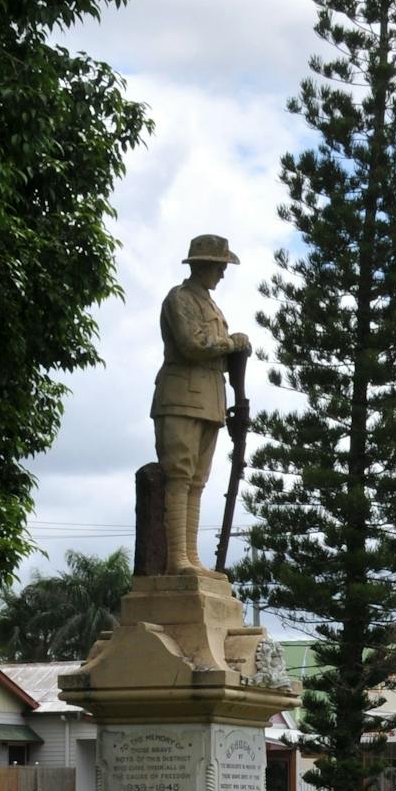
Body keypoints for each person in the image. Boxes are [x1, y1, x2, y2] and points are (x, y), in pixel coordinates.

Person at [150, 234, 249, 575]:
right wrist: (230, 342)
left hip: (210, 400)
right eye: (220, 267)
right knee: (178, 476)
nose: (222, 274)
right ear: (204, 265)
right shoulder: (180, 299)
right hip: (180, 398)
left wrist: (236, 350)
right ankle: (177, 558)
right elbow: (193, 343)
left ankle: (190, 557)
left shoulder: (211, 305)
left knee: (197, 481)